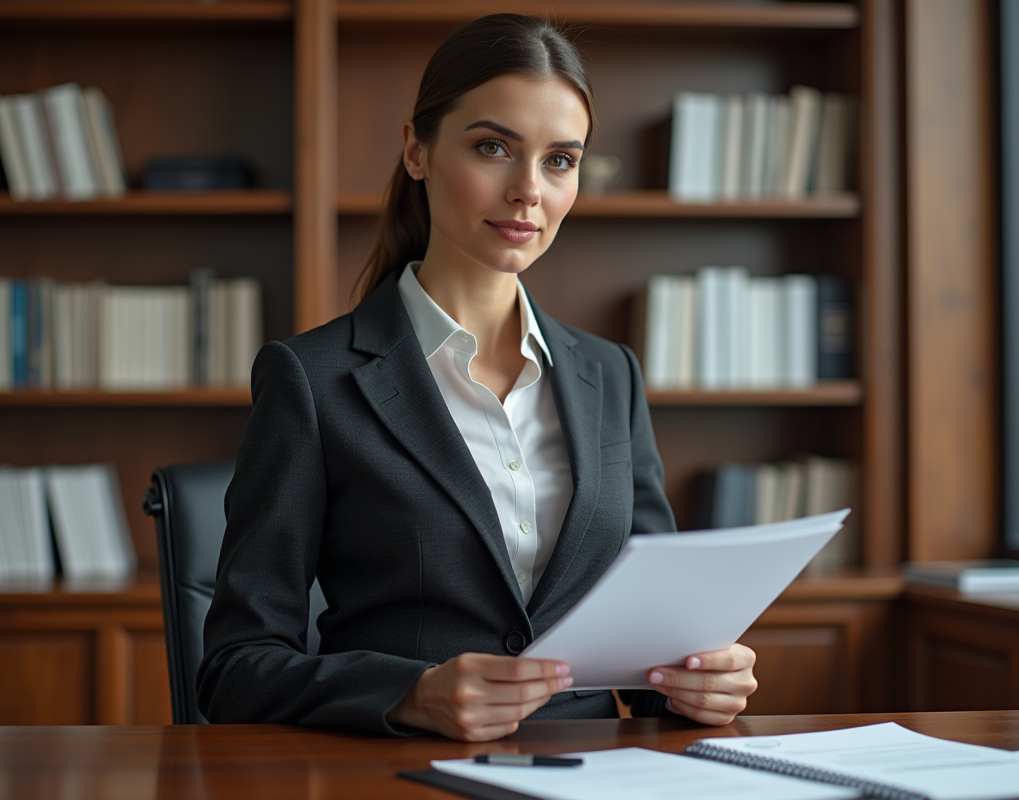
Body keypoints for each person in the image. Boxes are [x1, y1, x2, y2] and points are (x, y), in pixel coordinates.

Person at [198, 13, 757, 742]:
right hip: (394, 778)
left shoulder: (608, 375)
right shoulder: (312, 380)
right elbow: (235, 668)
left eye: (560, 160)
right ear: (417, 151)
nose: (529, 190)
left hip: (595, 777)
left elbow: (648, 656)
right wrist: (411, 694)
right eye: (493, 147)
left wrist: (694, 684)